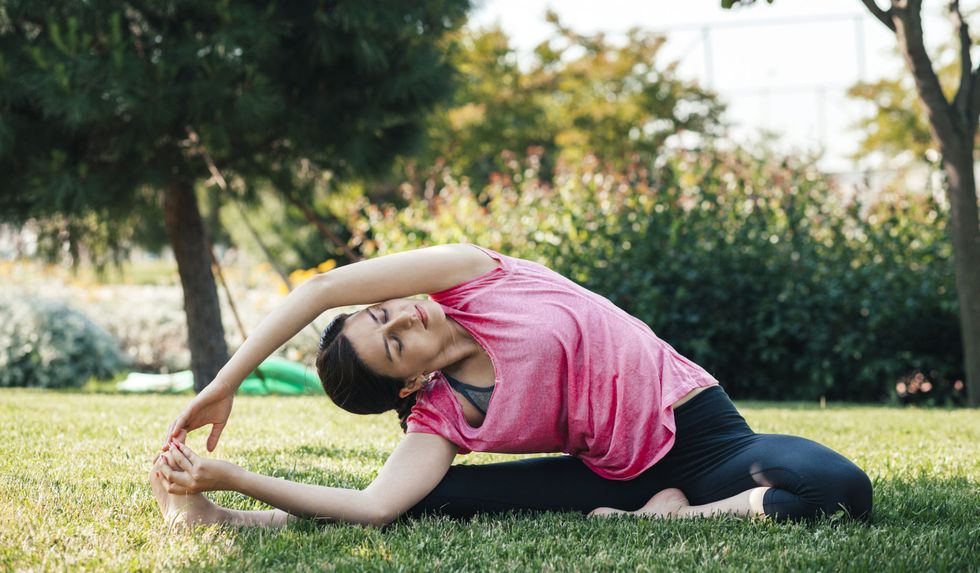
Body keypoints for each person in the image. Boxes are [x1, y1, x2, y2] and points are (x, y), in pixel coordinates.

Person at [151, 243, 873, 528]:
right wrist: (235, 479)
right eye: (395, 342)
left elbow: (321, 287)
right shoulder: (444, 413)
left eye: (383, 314)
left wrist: (225, 381)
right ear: (411, 384)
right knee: (423, 502)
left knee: (840, 489)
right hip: (612, 474)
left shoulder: (473, 275)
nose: (403, 313)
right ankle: (228, 521)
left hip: (703, 435)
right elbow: (373, 505)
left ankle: (661, 519)